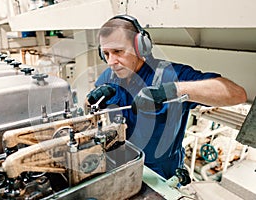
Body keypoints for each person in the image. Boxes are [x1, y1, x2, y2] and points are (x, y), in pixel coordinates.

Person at [86, 15, 247, 180]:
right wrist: (91, 99)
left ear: (141, 47)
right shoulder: (110, 76)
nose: (111, 61)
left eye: (118, 51)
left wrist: (172, 90)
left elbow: (236, 94)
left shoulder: (169, 75)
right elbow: (89, 106)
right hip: (125, 164)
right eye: (106, 53)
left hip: (161, 173)